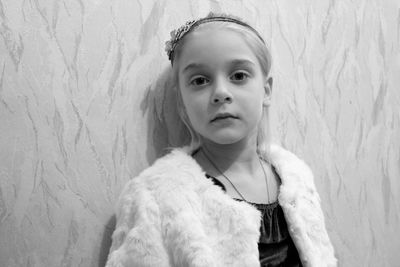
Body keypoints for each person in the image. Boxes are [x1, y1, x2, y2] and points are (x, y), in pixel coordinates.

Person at [105, 12, 337, 267]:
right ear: (181, 103)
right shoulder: (155, 200)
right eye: (200, 80)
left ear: (266, 89)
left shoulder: (297, 180)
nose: (221, 93)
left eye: (238, 76)